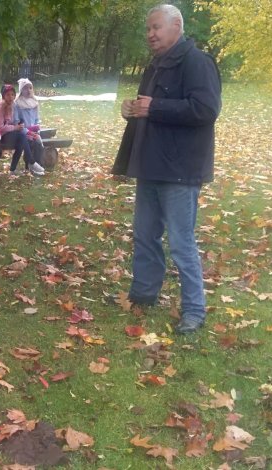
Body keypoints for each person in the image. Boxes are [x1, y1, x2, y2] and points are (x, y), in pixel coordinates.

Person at [111, 4, 221, 334]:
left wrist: (154, 107)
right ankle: (144, 294)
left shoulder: (197, 62)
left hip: (180, 169)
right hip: (150, 164)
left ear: (177, 26)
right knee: (145, 234)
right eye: (148, 29)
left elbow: (206, 109)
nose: (150, 34)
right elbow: (149, 109)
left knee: (181, 242)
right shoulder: (156, 65)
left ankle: (194, 310)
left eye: (156, 27)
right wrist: (132, 109)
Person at [0, 83, 44, 177]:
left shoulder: (13, 105)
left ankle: (13, 170)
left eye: (12, 94)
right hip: (0, 136)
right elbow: (0, 128)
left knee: (21, 140)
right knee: (21, 136)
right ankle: (31, 162)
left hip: (11, 133)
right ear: (3, 96)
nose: (11, 97)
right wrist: (15, 127)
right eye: (8, 95)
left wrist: (25, 129)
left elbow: (14, 122)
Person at [15, 78, 46, 174]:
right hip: (23, 131)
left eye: (30, 88)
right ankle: (29, 164)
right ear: (21, 90)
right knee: (30, 143)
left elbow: (37, 119)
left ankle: (38, 164)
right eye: (25, 88)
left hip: (34, 130)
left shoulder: (34, 102)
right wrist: (26, 131)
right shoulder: (17, 103)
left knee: (38, 144)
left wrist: (37, 127)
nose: (28, 90)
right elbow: (17, 121)